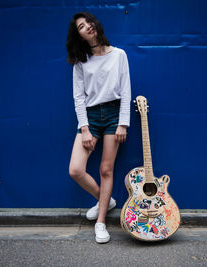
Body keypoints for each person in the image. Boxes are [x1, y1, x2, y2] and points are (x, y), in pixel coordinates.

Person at [66, 11, 131, 244]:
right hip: (91, 117)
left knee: (106, 170)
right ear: (79, 35)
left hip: (114, 115)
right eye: (81, 27)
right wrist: (84, 129)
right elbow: (78, 98)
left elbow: (126, 91)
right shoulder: (81, 62)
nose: (88, 27)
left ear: (96, 25)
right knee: (75, 170)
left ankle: (101, 222)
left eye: (89, 22)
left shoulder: (119, 55)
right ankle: (107, 200)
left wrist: (123, 123)